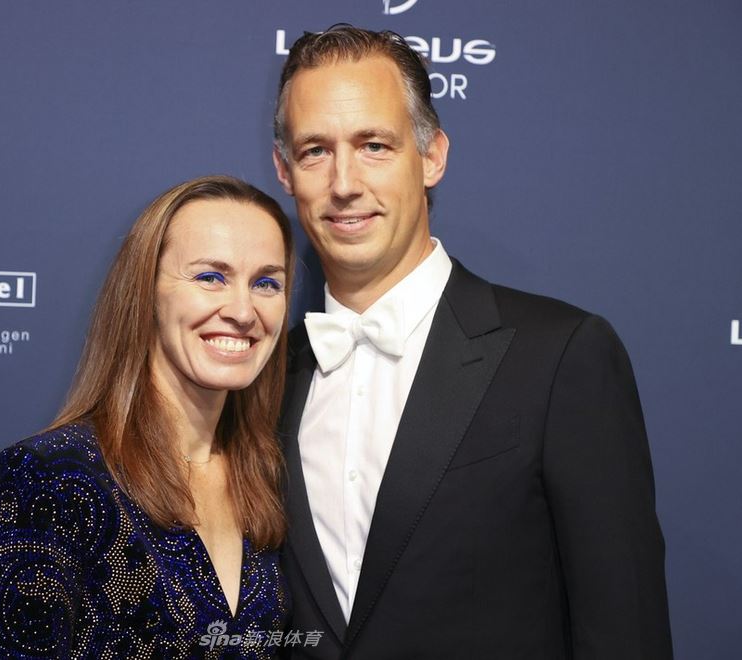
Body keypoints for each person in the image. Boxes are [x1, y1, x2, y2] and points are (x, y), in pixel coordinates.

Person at [271, 26, 672, 659]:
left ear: (432, 156)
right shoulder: (266, 379)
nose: (344, 182)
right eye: (316, 150)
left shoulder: (560, 357)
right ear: (285, 171)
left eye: (374, 145)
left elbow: (627, 631)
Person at [0, 175, 295, 658]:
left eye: (266, 283)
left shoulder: (265, 476)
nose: (244, 311)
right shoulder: (53, 478)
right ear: (146, 292)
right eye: (211, 277)